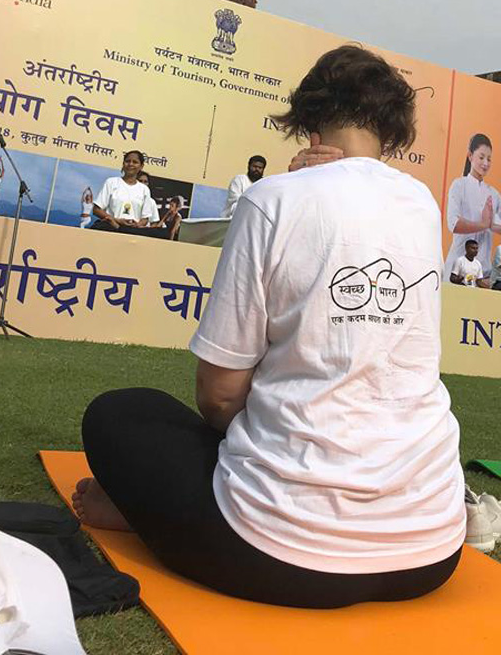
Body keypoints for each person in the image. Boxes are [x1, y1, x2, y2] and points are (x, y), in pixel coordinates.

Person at [72, 45, 466, 609]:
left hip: (283, 555)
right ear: (394, 126)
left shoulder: (272, 199)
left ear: (306, 119)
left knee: (119, 413)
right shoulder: (422, 205)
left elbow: (219, 396)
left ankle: (150, 516)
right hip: (429, 551)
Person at [443, 134, 501, 279]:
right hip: (456, 270)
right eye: (481, 157)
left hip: (483, 272)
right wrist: (483, 224)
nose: (485, 163)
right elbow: (454, 224)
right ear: (470, 156)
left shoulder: (493, 194)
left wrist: (492, 226)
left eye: (489, 159)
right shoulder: (459, 185)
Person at [91, 151, 159, 233]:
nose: (131, 164)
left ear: (141, 166)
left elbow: (145, 219)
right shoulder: (111, 182)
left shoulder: (144, 189)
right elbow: (96, 210)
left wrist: (137, 225)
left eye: (135, 162)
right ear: (123, 164)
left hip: (132, 233)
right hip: (110, 229)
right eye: (127, 161)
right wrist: (116, 220)